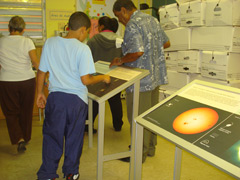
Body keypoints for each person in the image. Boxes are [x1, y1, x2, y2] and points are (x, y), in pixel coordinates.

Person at [36, 12, 110, 180]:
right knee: (74, 137)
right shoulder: (83, 49)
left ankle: (47, 174)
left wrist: (40, 93)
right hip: (76, 101)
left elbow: (41, 72)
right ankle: (71, 172)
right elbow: (86, 79)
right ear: (83, 30)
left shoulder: (50, 42)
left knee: (52, 137)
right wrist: (103, 77)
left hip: (55, 99)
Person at [110, 0, 170, 163]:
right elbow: (167, 42)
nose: (120, 21)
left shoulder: (132, 24)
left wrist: (121, 60)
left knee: (137, 117)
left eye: (118, 16)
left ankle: (138, 154)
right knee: (150, 116)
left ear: (123, 10)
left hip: (140, 81)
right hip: (155, 77)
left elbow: (137, 52)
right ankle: (150, 148)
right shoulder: (153, 20)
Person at [0, 16, 39, 153]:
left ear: (9, 28)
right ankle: (26, 137)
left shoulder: (1, 42)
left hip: (7, 81)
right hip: (26, 81)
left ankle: (19, 139)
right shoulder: (27, 42)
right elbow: (35, 63)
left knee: (11, 112)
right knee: (26, 110)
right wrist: (44, 76)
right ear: (23, 29)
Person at [86, 16, 123, 132]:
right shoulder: (120, 41)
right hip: (115, 76)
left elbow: (87, 59)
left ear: (101, 27)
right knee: (116, 100)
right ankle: (118, 125)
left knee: (95, 100)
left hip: (96, 76)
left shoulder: (92, 40)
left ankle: (88, 125)